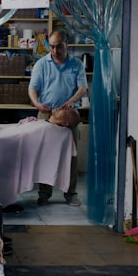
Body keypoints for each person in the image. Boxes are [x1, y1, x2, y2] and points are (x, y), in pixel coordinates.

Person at [28, 29, 88, 206]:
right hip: (46, 113)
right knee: (44, 155)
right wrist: (37, 103)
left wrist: (72, 101)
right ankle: (44, 193)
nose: (55, 51)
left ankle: (71, 194)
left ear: (66, 44)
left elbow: (82, 88)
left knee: (71, 156)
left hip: (68, 116)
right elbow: (32, 88)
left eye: (59, 46)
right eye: (52, 47)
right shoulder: (42, 64)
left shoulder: (76, 64)